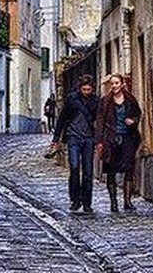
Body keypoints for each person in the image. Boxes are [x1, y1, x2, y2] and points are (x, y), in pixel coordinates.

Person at [50, 74, 98, 213]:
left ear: (92, 89)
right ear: (80, 88)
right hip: (73, 137)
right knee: (75, 167)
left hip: (89, 138)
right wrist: (56, 138)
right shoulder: (72, 99)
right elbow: (63, 118)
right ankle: (75, 199)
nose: (86, 92)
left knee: (88, 172)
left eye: (89, 89)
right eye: (84, 89)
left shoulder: (96, 101)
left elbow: (99, 120)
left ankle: (87, 202)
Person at [95, 72, 142, 213]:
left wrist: (133, 121)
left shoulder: (130, 99)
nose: (114, 86)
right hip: (111, 139)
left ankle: (127, 201)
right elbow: (100, 121)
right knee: (111, 170)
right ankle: (113, 202)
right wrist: (99, 141)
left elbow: (137, 113)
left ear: (122, 84)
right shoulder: (105, 101)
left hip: (128, 136)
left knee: (129, 167)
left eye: (117, 83)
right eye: (112, 83)